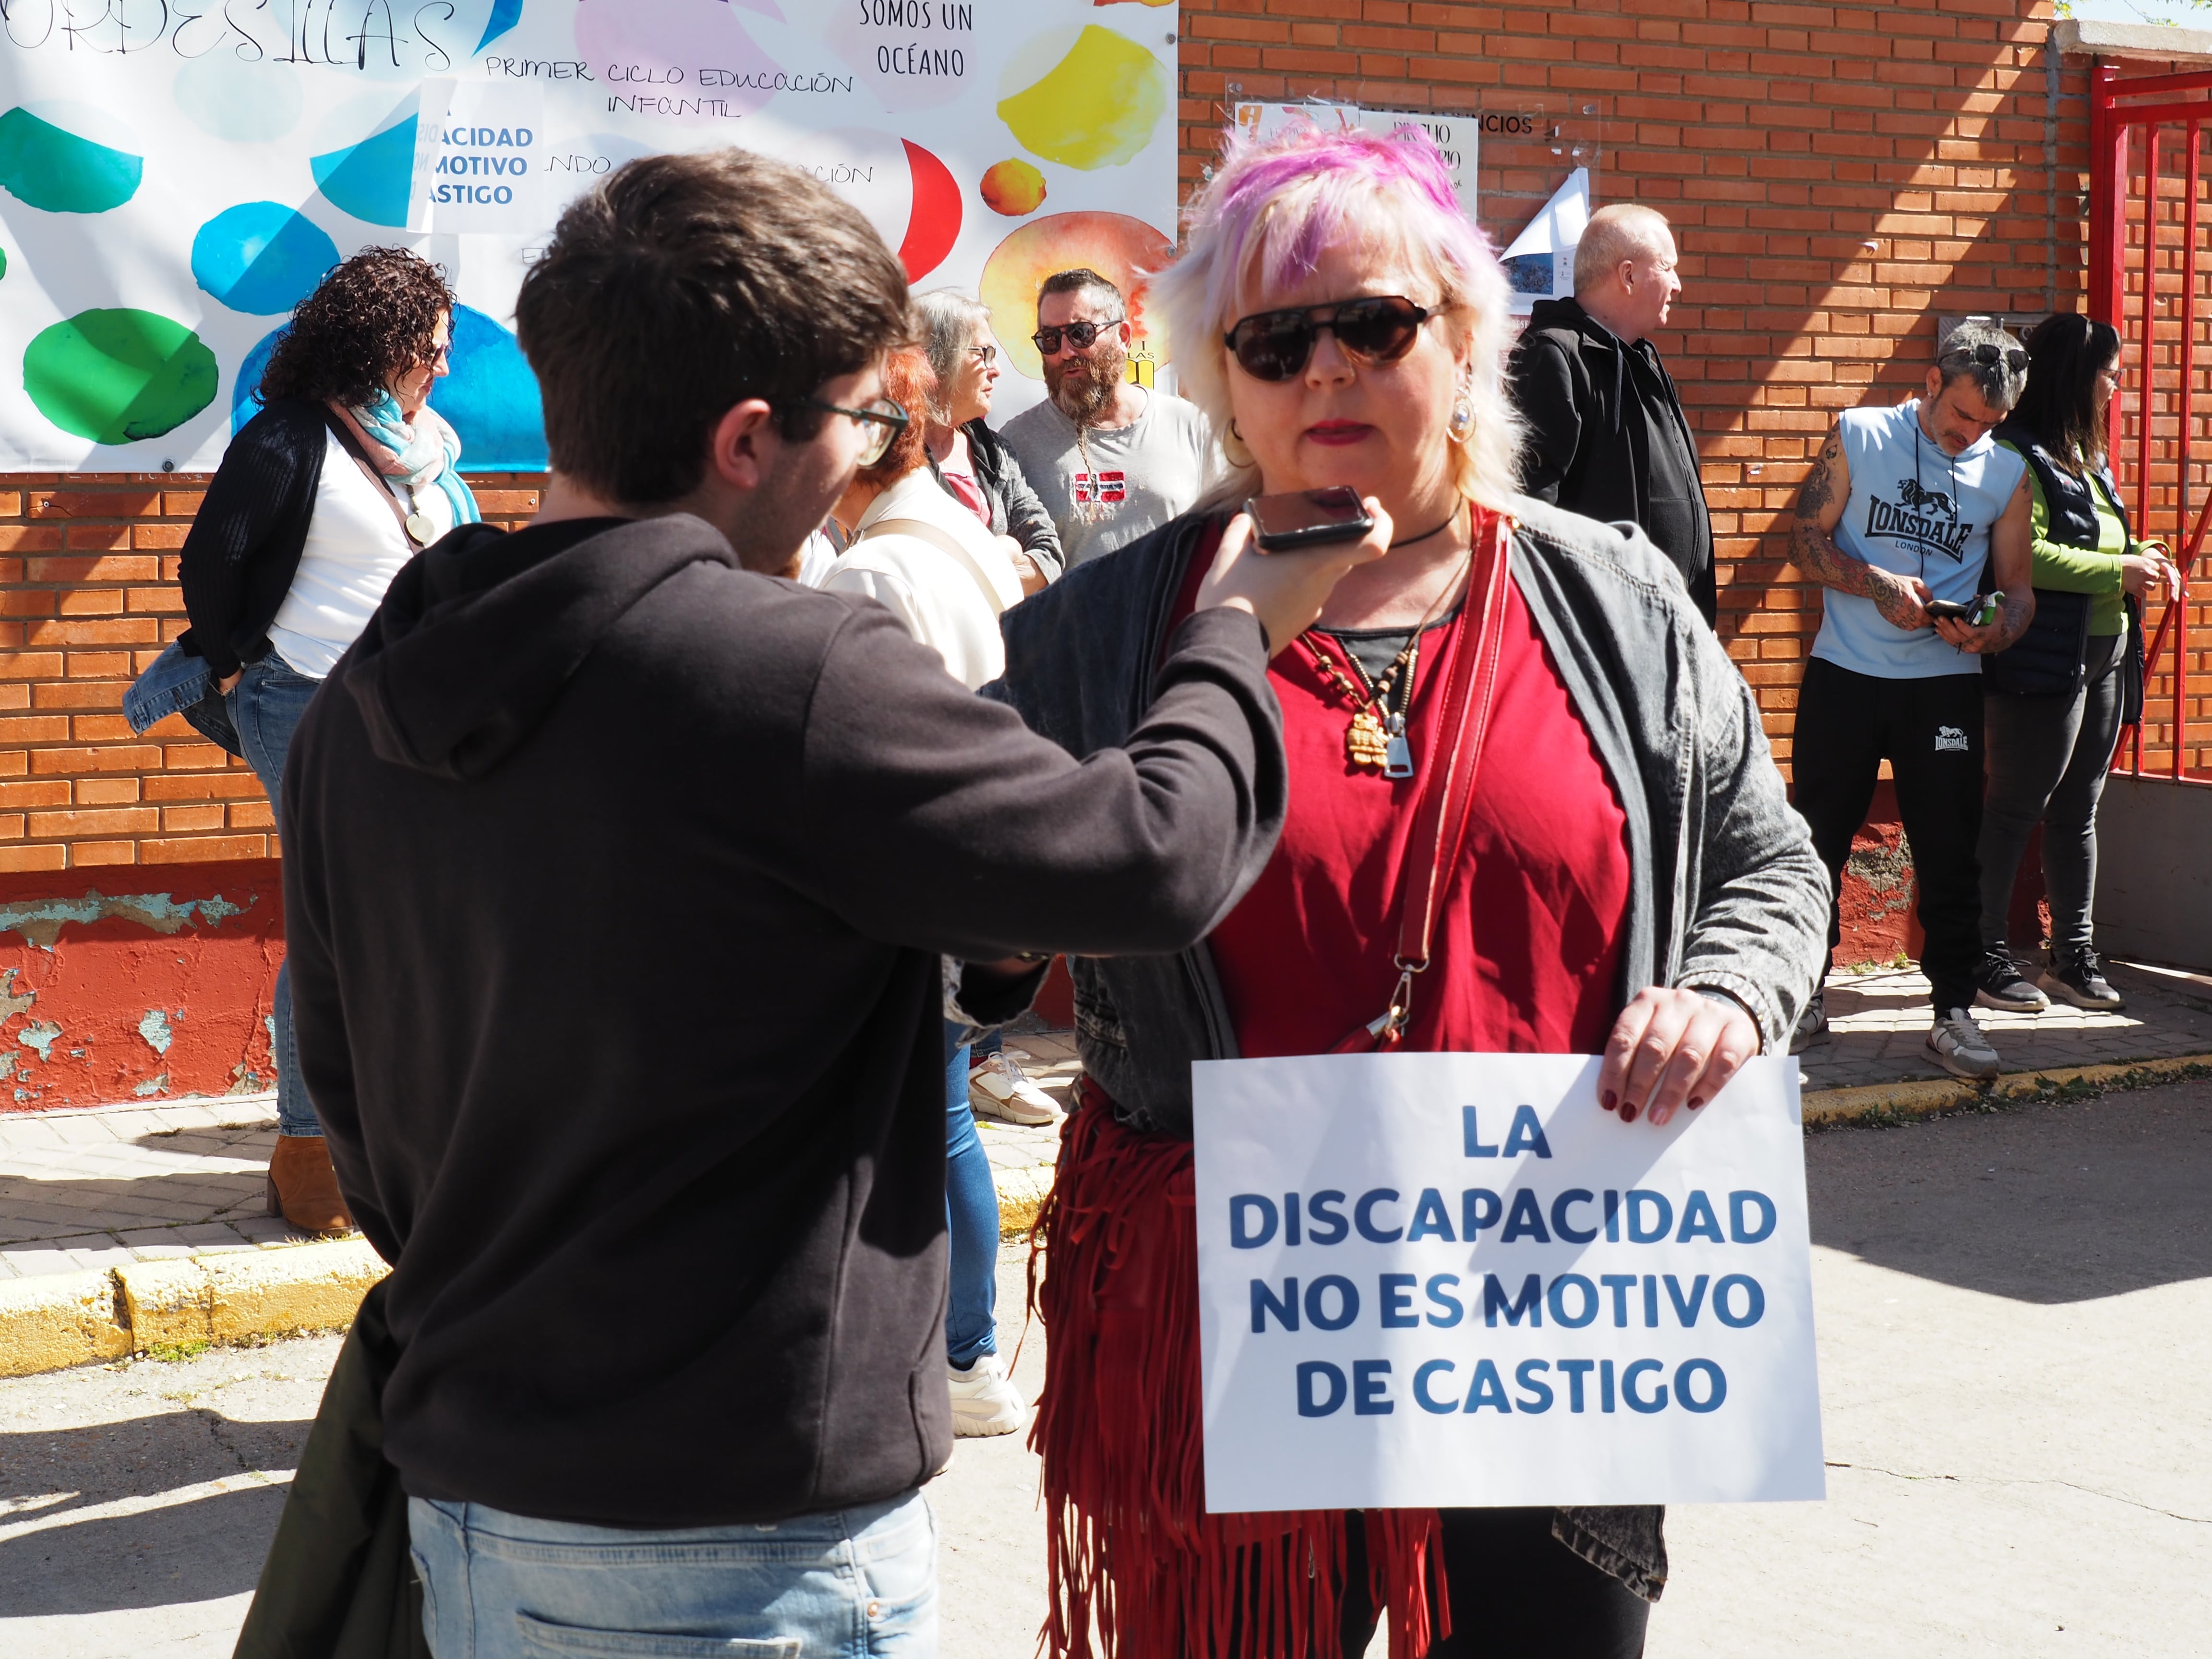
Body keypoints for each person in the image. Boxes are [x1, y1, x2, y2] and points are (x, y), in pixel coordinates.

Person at [277, 147, 1384, 1658]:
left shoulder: (373, 690)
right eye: (862, 421)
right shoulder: (791, 673)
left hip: (478, 1507)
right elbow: (1156, 859)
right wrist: (1236, 631)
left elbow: (367, 1129)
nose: (866, 458)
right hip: (745, 1548)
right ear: (746, 439)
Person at [992, 124, 1827, 1659]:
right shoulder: (1100, 634)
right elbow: (975, 914)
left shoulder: (1618, 597)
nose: (1328, 369)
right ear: (1221, 377)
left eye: (1375, 325)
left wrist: (1726, 989)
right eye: (1274, 337)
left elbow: (1770, 863)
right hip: (1229, 1308)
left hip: (1553, 1299)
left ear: (1462, 343)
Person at [128, 246, 477, 1237]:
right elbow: (214, 562)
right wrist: (237, 665)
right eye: (431, 349)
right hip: (305, 703)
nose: (443, 368)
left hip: (413, 708)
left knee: (417, 915)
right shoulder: (289, 438)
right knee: (341, 914)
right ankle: (310, 1150)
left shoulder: (431, 444)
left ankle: (398, 1128)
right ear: (380, 344)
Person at [816, 344, 1037, 1441]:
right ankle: (964, 1350)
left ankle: (962, 1355)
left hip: (919, 876)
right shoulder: (952, 521)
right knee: (944, 1117)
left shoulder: (865, 572)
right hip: (982, 860)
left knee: (938, 1119)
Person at [1786, 320, 2037, 1077]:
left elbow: (2019, 594)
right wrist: (1873, 583)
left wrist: (1995, 632)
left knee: (1948, 852)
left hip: (1943, 686)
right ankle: (1802, 994)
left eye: (1990, 424)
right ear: (1932, 383)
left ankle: (1953, 1010)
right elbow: (1802, 539)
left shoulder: (2007, 472)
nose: (1972, 436)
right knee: (1815, 844)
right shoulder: (1860, 434)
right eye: (1962, 416)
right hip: (1845, 675)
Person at [1979, 315, 2179, 1013]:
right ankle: (1981, 956)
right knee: (2014, 809)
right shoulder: (2015, 454)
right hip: (2042, 658)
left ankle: (2072, 957)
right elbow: (2023, 558)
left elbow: (2103, 542)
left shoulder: (2086, 458)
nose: (2117, 387)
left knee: (2078, 810)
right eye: (2110, 373)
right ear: (2073, 372)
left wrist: (2144, 556)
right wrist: (2116, 569)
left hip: (2104, 654)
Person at [1509, 204, 1718, 624]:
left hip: (1669, 630)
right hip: (1605, 636)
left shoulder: (1643, 357)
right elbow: (1531, 512)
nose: (1677, 285)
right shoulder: (1554, 354)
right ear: (1628, 276)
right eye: (1667, 267)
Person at [1000, 268, 1215, 568]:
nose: (1065, 352)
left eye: (1081, 333)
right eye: (1050, 339)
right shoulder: (1016, 444)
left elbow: (1229, 540)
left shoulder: (1189, 426)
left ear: (1124, 337)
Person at [914, 288, 1062, 588]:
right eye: (984, 354)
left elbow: (1048, 553)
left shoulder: (995, 452)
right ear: (940, 358)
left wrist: (980, 575)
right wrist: (1003, 551)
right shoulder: (891, 457)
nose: (996, 370)